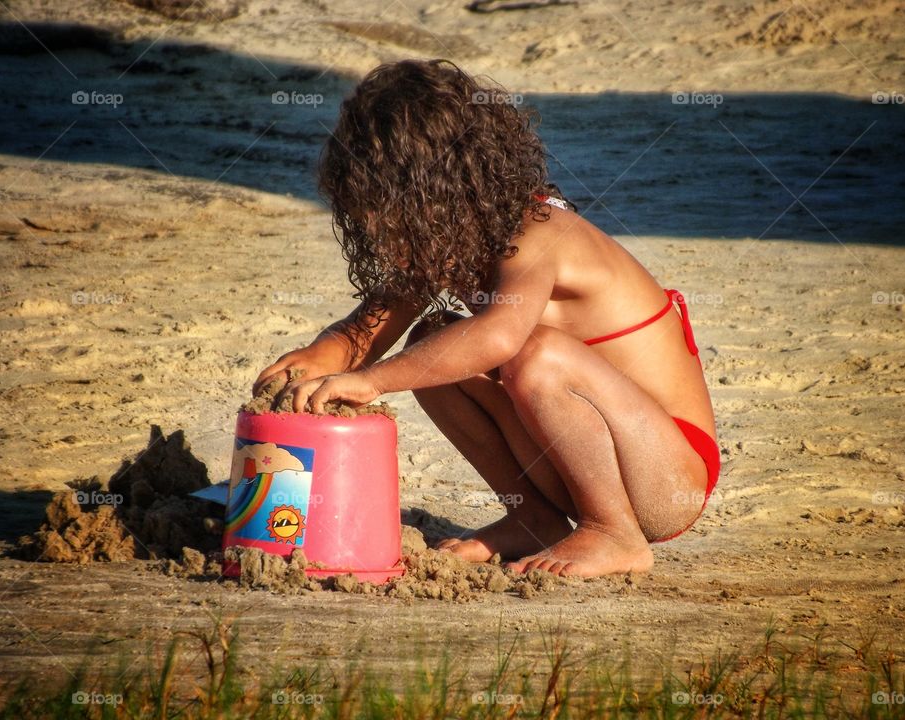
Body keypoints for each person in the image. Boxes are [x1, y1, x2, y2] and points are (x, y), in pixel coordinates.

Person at [254, 59, 719, 577]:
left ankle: (614, 533)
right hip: (589, 459)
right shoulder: (462, 237)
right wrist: (329, 350)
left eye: (392, 219)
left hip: (666, 475)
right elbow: (379, 318)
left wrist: (370, 381)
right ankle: (535, 519)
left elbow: (499, 336)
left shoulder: (540, 232)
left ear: (442, 195)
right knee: (433, 342)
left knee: (535, 351)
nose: (384, 239)